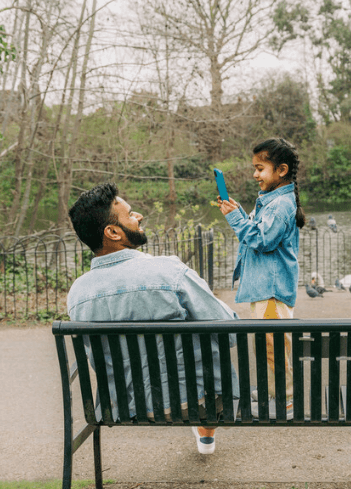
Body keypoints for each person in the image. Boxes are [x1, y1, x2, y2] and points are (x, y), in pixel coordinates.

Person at [67, 182, 237, 455]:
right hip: (193, 402)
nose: (139, 217)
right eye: (131, 214)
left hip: (122, 408)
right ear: (112, 232)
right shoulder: (168, 271)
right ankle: (206, 429)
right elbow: (229, 331)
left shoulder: (78, 294)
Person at [217, 138, 305, 417]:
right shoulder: (271, 200)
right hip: (265, 288)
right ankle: (271, 389)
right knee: (267, 344)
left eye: (260, 168)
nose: (255, 174)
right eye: (254, 168)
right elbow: (256, 227)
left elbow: (262, 239)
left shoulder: (280, 205)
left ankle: (286, 402)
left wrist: (235, 220)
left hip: (272, 289)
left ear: (281, 170)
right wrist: (239, 212)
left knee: (273, 347)